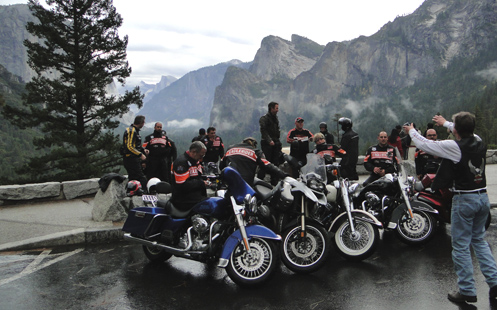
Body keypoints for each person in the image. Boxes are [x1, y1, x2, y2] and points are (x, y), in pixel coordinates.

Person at [404, 112, 497, 303]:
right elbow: (461, 128)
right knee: (479, 240)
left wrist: (412, 131)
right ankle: (495, 283)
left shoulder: (454, 147)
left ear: (455, 129)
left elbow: (425, 145)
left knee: (461, 246)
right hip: (482, 197)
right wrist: (446, 122)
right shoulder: (479, 141)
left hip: (465, 199)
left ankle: (467, 290)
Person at [221, 137, 287, 186]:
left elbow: (221, 165)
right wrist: (282, 174)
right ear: (254, 145)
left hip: (230, 182)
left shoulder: (230, 149)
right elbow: (267, 165)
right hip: (245, 184)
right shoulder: (255, 152)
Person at [171, 141, 209, 211]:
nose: (201, 158)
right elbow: (181, 185)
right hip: (183, 200)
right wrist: (201, 183)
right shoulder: (181, 163)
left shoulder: (194, 161)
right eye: (201, 155)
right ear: (194, 152)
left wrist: (205, 179)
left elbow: (195, 177)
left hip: (194, 196)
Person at [122, 115, 149, 190]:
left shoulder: (135, 131)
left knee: (133, 177)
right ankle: (145, 192)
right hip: (130, 158)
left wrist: (143, 150)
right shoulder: (131, 131)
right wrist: (140, 154)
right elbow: (129, 146)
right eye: (143, 122)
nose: (144, 124)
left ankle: (132, 192)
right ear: (141, 122)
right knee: (140, 177)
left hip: (133, 158)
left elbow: (136, 145)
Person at [259, 101, 282, 184]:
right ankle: (259, 179)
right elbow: (263, 131)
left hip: (275, 142)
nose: (277, 110)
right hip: (267, 143)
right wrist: (269, 140)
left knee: (276, 162)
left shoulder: (275, 118)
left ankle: (274, 180)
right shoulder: (264, 119)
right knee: (266, 162)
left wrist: (277, 141)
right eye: (276, 108)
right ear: (271, 108)